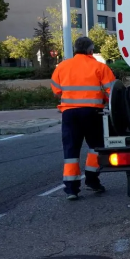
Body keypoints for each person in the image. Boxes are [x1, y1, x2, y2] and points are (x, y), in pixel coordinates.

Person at [50, 37, 117, 201]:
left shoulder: (62, 67)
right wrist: (103, 98)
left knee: (71, 151)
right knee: (95, 147)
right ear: (90, 50)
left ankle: (71, 189)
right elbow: (113, 92)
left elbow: (56, 91)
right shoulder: (99, 67)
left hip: (69, 114)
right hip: (92, 113)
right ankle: (92, 181)